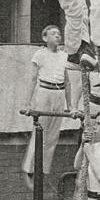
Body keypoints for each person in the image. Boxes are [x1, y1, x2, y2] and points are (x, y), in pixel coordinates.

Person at [22, 25, 73, 189]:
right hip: (44, 93)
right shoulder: (40, 54)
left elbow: (67, 82)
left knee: (52, 136)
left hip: (59, 94)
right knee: (40, 132)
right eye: (53, 33)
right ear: (45, 38)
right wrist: (27, 103)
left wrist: (70, 105)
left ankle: (42, 171)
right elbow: (32, 79)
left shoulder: (64, 56)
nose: (57, 36)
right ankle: (30, 169)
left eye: (59, 33)